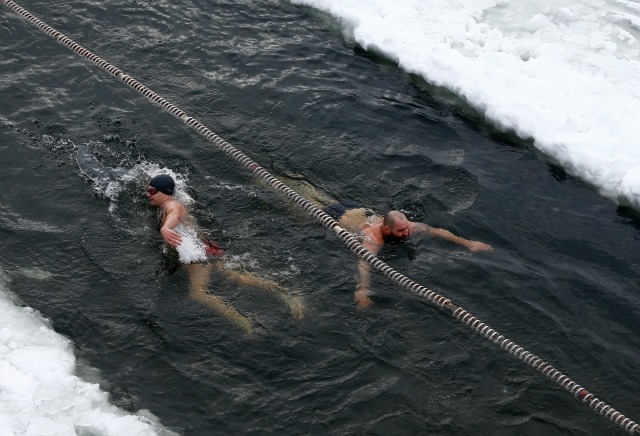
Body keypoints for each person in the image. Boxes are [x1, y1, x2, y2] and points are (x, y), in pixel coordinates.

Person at [270, 173, 492, 308]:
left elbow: (437, 231)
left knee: (314, 195)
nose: (406, 234)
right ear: (387, 229)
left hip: (354, 210)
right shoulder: (374, 239)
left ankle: (284, 180)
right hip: (336, 217)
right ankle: (272, 182)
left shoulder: (408, 227)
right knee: (299, 203)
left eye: (407, 229)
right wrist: (362, 290)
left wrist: (468, 243)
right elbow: (364, 263)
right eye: (401, 232)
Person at [146, 174, 304, 334]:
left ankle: (245, 323)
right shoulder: (173, 201)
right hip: (206, 245)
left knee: (197, 293)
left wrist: (165, 228)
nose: (148, 195)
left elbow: (174, 214)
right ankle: (286, 294)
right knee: (236, 277)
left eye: (152, 191)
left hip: (198, 252)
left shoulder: (171, 205)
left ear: (164, 193)